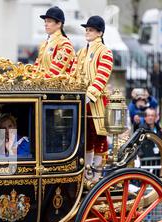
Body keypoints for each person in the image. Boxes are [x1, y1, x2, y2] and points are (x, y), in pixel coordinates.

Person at [70, 16, 114, 183]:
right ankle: (86, 174)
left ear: (100, 33)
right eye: (87, 30)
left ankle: (96, 176)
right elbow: (73, 73)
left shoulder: (105, 51)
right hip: (81, 101)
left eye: (91, 30)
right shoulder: (81, 52)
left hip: (96, 102)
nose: (87, 32)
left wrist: (89, 95)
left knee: (99, 137)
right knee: (86, 137)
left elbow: (102, 76)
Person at [33, 6, 75, 78]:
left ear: (59, 24)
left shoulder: (65, 44)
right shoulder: (44, 44)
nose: (46, 24)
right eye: (45, 21)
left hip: (56, 87)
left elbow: (55, 71)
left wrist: (38, 80)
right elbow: (36, 67)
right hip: (42, 85)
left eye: (49, 21)